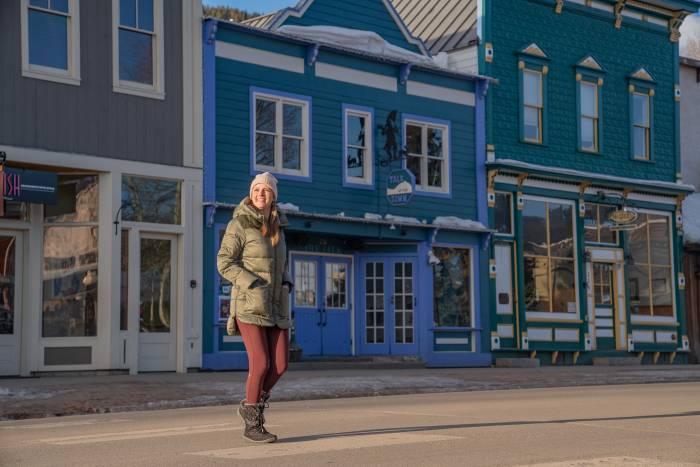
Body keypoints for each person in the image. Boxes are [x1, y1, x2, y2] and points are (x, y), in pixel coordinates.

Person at [217, 172, 293, 444]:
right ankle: (252, 423)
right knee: (260, 363)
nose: (261, 193)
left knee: (281, 364)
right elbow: (224, 262)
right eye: (257, 189)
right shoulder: (239, 224)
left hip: (276, 305)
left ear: (274, 195)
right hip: (250, 305)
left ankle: (251, 403)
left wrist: (287, 282)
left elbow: (282, 264)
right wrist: (251, 283)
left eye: (267, 190)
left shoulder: (279, 226)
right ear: (251, 193)